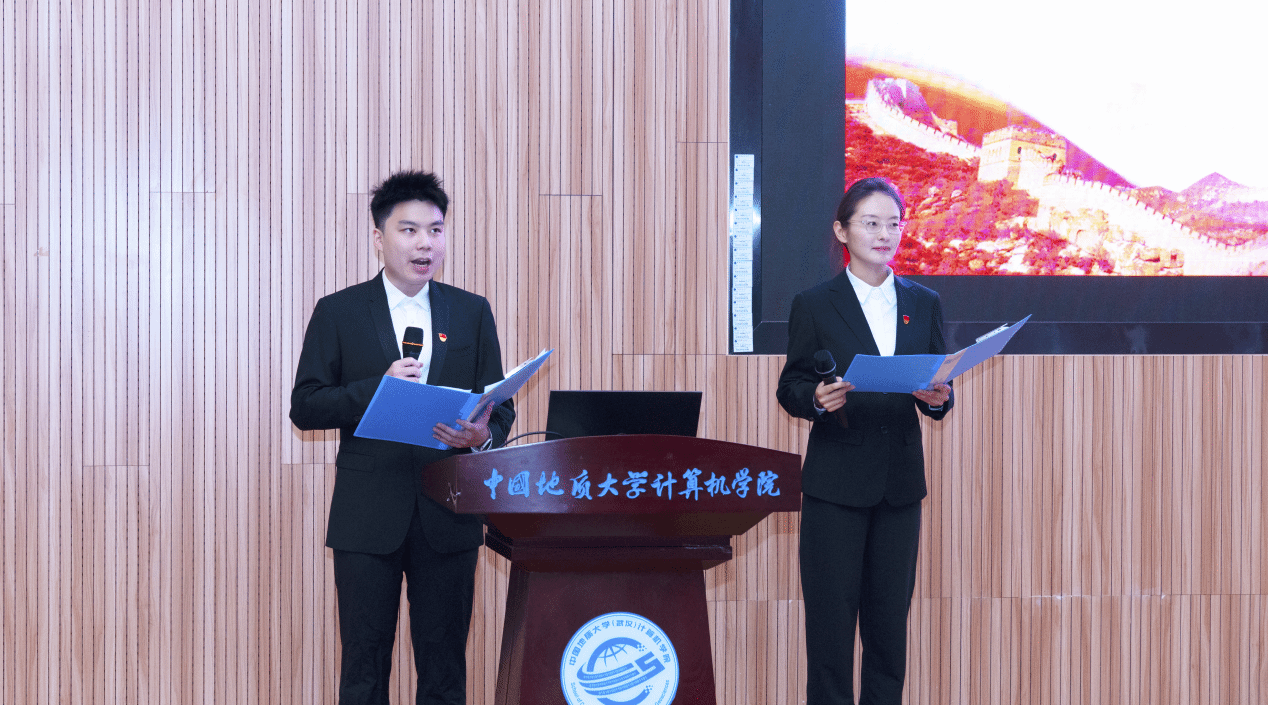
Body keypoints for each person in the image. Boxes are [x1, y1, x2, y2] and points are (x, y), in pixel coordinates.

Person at [290, 170, 515, 705]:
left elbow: (501, 408)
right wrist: (377, 389)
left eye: (435, 230)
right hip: (368, 516)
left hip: (448, 513)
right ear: (379, 238)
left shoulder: (471, 311)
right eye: (409, 230)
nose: (425, 244)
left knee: (445, 670)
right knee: (363, 668)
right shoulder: (339, 311)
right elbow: (306, 405)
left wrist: (480, 435)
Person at [776, 177, 953, 705]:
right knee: (830, 635)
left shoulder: (924, 302)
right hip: (835, 487)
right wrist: (816, 398)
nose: (884, 234)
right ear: (842, 231)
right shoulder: (815, 304)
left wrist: (938, 398)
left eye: (893, 224)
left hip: (900, 488)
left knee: (888, 635)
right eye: (871, 223)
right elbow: (791, 385)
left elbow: (939, 388)